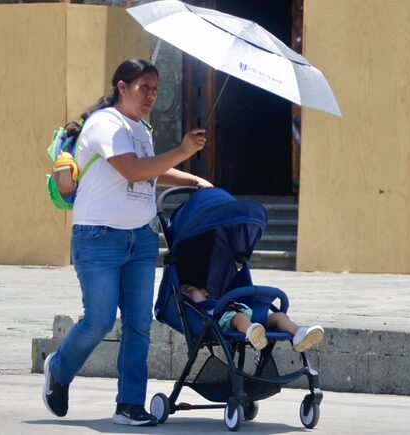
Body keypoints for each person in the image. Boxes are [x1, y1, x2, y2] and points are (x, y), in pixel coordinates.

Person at [42, 58, 212, 427]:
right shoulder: (106, 124)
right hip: (98, 237)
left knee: (138, 324)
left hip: (141, 238)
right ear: (122, 87)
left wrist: (192, 181)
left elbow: (150, 170)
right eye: (143, 87)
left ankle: (129, 404)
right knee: (100, 320)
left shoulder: (141, 129)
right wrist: (184, 150)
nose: (151, 95)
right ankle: (59, 367)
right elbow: (132, 169)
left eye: (155, 89)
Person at [181, 284, 324, 352]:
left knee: (279, 316)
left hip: (250, 313)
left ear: (204, 291)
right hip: (225, 319)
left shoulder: (215, 300)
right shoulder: (199, 308)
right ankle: (252, 332)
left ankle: (299, 333)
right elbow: (194, 307)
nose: (186, 296)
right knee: (239, 317)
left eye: (189, 291)